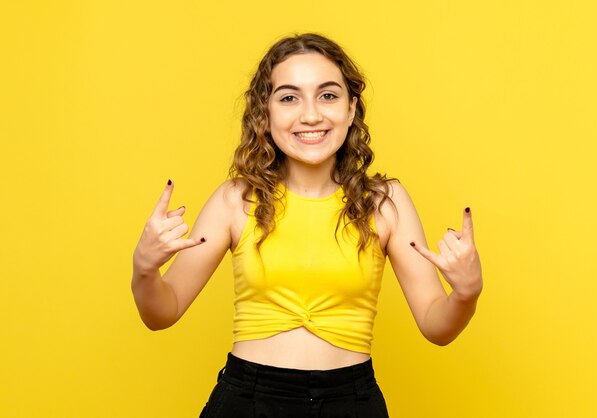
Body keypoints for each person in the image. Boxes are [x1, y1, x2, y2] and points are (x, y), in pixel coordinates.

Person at [131, 33, 483, 418]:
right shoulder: (236, 199)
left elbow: (437, 326)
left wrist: (466, 294)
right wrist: (145, 268)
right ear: (265, 114)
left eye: (328, 95)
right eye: (289, 97)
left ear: (351, 109)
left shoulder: (385, 201)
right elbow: (161, 314)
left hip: (351, 402)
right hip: (248, 401)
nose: (311, 114)